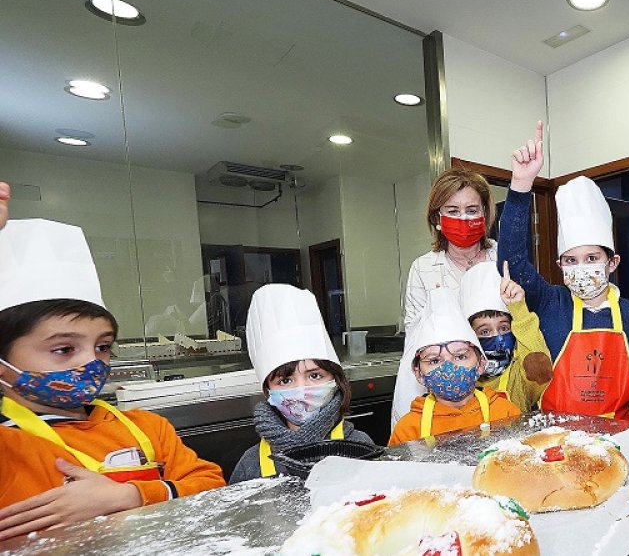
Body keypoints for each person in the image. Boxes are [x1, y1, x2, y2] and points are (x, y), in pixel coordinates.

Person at [0, 220, 225, 540]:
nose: (91, 362)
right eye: (64, 349)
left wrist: (130, 496)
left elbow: (213, 487)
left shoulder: (148, 428)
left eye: (102, 347)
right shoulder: (8, 446)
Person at [499, 122, 629, 419]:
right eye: (571, 260)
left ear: (612, 263)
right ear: (560, 266)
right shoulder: (549, 303)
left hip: (619, 437)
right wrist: (520, 186)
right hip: (556, 437)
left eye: (591, 257)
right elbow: (511, 261)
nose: (581, 268)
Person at [229, 285, 373, 483]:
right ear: (268, 391)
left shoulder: (359, 447)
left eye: (314, 376)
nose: (302, 390)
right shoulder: (251, 465)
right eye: (286, 380)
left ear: (335, 380)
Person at [389, 288, 521, 443]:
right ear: (418, 373)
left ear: (481, 363)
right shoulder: (407, 430)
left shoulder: (506, 413)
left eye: (460, 356)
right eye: (434, 360)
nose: (449, 369)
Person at [403, 168, 499, 331]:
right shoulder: (422, 268)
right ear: (437, 218)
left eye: (472, 210)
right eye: (453, 211)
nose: (463, 218)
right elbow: (415, 333)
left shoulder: (503, 256)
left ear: (484, 214)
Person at [459, 261, 552, 412]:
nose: (498, 339)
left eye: (503, 328)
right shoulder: (459, 382)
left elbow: (540, 369)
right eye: (485, 331)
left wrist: (519, 310)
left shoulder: (518, 379)